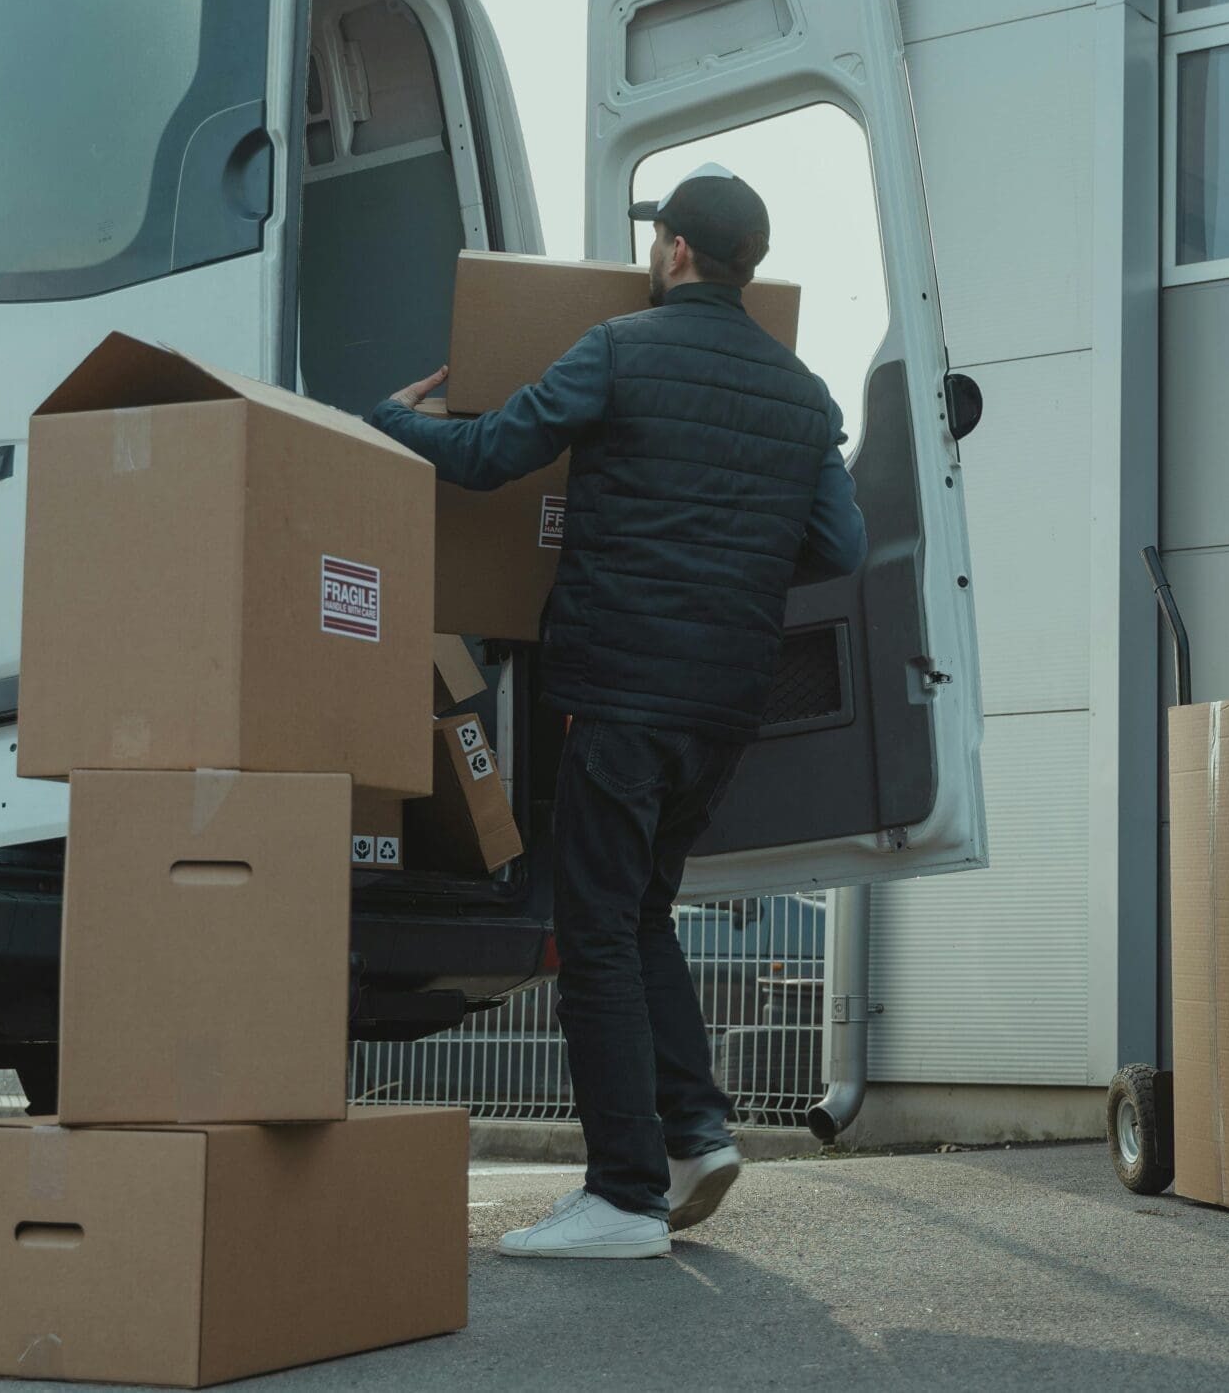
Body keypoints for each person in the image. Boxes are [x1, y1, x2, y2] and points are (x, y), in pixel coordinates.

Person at [369, 164, 865, 1260]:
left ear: (676, 250)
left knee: (591, 930)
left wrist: (388, 422)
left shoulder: (618, 350)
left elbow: (495, 454)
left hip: (616, 693)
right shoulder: (801, 393)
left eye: (658, 240)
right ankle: (693, 1130)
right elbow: (841, 547)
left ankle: (624, 1195)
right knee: (641, 914)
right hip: (720, 708)